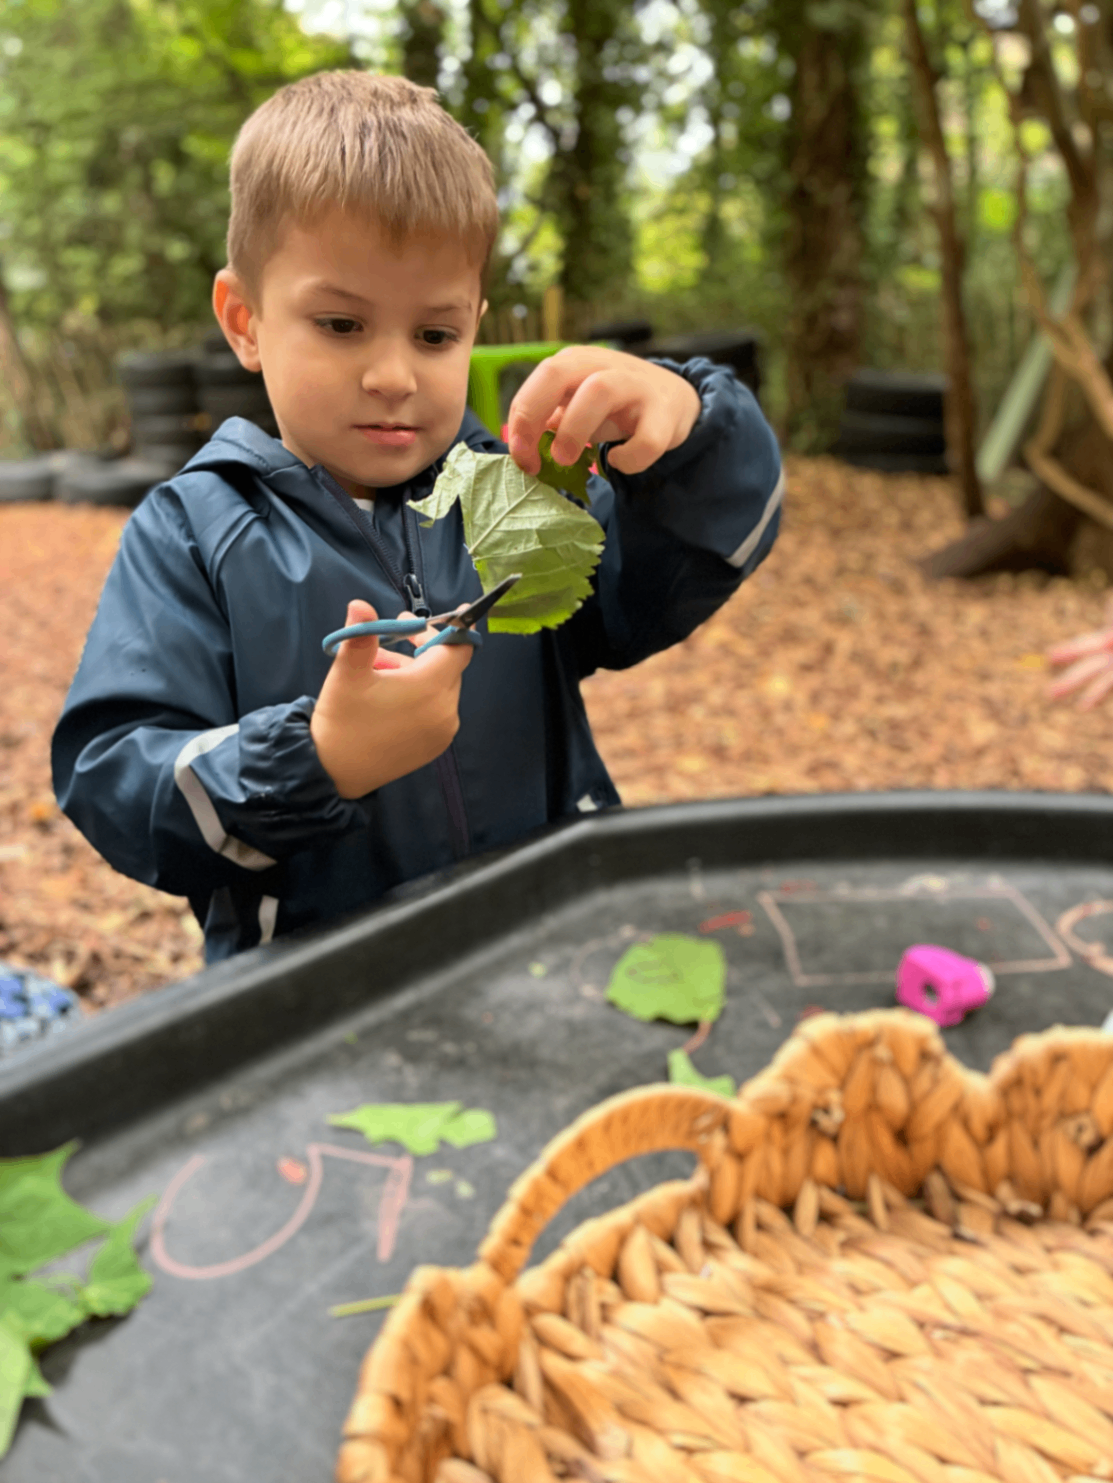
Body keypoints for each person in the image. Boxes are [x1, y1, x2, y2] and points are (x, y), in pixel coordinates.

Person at [52, 71, 784, 964]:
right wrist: (314, 759)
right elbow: (114, 778)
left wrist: (690, 432)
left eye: (434, 336)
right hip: (323, 1009)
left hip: (554, 951)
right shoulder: (196, 533)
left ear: (473, 325)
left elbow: (671, 577)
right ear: (244, 319)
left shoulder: (511, 498)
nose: (394, 374)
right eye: (341, 324)